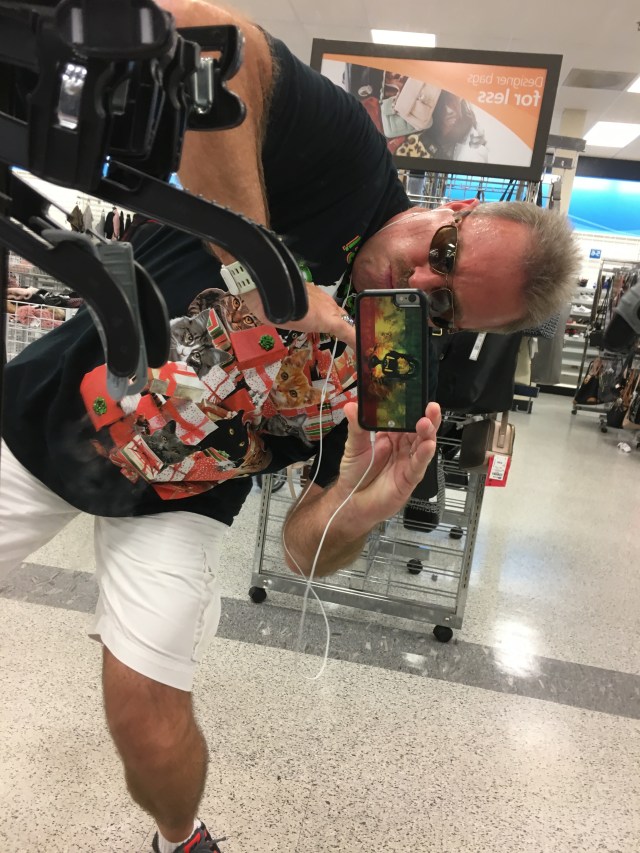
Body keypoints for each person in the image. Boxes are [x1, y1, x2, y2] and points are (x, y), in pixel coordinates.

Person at [0, 2, 580, 851]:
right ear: (452, 206)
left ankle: (181, 838)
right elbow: (202, 31)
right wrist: (259, 271)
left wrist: (357, 500)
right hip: (45, 414)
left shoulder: (391, 367)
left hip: (183, 501)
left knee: (149, 716)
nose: (418, 279)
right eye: (446, 251)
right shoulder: (350, 163)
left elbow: (305, 554)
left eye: (445, 305)